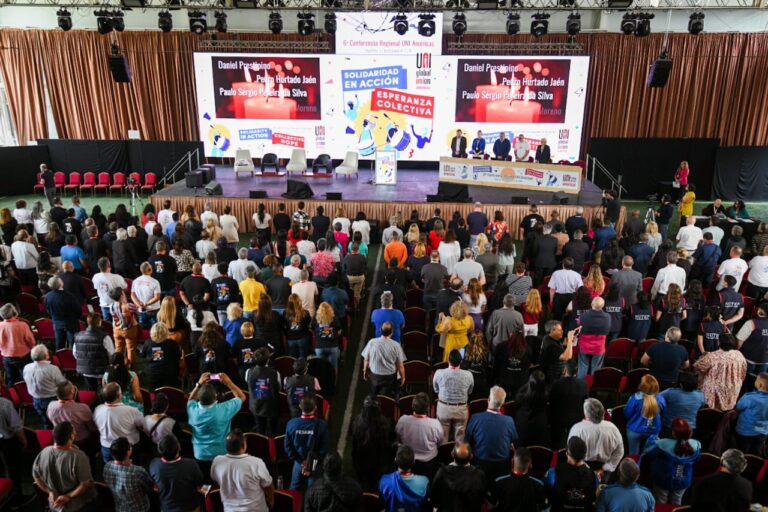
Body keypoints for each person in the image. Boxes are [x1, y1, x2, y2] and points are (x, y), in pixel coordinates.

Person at [187, 372, 246, 478]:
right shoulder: (223, 409)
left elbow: (191, 399)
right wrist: (229, 383)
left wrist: (199, 385)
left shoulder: (192, 410)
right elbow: (241, 397)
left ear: (199, 398)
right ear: (216, 396)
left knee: (205, 483)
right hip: (221, 454)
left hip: (200, 454)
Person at [32, 421, 97, 512]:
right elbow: (85, 484)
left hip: (54, 505)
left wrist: (49, 491)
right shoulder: (78, 456)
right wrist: (68, 496)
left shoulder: (43, 452)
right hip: (77, 506)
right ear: (71, 436)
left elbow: (36, 477)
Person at [465, 386, 519, 484]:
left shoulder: (475, 418)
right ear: (502, 404)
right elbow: (514, 441)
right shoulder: (509, 421)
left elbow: (467, 441)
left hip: (479, 464)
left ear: (488, 400)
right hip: (502, 466)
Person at [210, 429, 274, 511]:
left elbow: (215, 480)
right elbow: (268, 486)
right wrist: (271, 500)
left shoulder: (217, 461)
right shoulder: (256, 462)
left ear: (226, 446)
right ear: (243, 446)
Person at [150, 434, 205, 512]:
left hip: (167, 509)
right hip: (191, 507)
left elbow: (154, 484)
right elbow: (199, 482)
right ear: (179, 448)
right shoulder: (191, 464)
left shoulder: (154, 464)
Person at [568, 398, 624, 475]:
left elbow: (571, 451)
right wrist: (605, 468)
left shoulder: (577, 429)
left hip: (581, 469)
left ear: (586, 413)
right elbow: (619, 452)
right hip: (605, 470)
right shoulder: (613, 428)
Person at [285, 395, 329, 490]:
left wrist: (301, 462)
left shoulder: (291, 424)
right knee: (314, 492)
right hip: (315, 464)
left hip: (298, 463)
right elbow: (324, 449)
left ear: (300, 407)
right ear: (315, 408)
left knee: (293, 490)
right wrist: (311, 465)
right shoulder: (322, 425)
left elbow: (288, 448)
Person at [430, 442, 489, 512]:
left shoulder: (442, 472)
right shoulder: (479, 475)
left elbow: (433, 495)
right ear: (471, 456)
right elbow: (482, 498)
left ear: (452, 454)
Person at [545, 436, 599, 512]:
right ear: (584, 456)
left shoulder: (553, 473)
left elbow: (547, 492)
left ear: (566, 453)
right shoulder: (594, 476)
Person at [94, 382, 145, 463]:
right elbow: (142, 426)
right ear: (119, 395)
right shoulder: (131, 411)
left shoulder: (97, 409)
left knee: (111, 471)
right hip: (128, 449)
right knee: (134, 469)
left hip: (107, 447)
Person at [694, 333, 747, 410]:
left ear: (719, 342)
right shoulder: (739, 355)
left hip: (714, 390)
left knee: (710, 412)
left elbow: (698, 367)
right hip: (733, 387)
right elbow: (743, 373)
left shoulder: (711, 356)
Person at [103, 436, 154, 512]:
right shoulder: (137, 471)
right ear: (128, 452)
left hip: (120, 507)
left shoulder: (107, 467)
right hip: (140, 508)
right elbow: (149, 488)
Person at [433, 349, 474, 443]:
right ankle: (457, 457)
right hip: (461, 410)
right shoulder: (469, 375)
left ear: (448, 360)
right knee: (460, 440)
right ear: (461, 361)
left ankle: (444, 456)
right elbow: (470, 391)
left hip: (444, 409)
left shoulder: (439, 373)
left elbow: (436, 389)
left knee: (442, 438)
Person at [24, 344, 67, 429]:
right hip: (51, 399)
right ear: (45, 356)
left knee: (46, 421)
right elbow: (62, 383)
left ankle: (49, 435)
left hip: (35, 399)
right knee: (57, 421)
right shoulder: (52, 369)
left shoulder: (26, 367)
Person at [379, 445, 430, 512]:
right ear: (413, 462)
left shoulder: (384, 480)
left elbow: (382, 503)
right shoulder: (424, 482)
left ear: (395, 460)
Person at [362, 322, 407, 397]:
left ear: (381, 331)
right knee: (387, 397)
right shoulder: (396, 345)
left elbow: (366, 360)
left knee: (374, 395)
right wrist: (403, 378)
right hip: (390, 378)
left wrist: (365, 371)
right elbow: (400, 365)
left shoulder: (372, 342)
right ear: (391, 332)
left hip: (374, 376)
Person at [47, 381, 97, 446]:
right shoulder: (82, 408)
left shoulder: (51, 405)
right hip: (80, 439)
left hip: (61, 439)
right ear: (72, 391)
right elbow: (92, 427)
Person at [624, 374, 665, 454]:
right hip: (653, 430)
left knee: (633, 456)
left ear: (642, 386)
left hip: (634, 430)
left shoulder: (635, 398)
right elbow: (663, 414)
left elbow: (627, 414)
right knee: (647, 457)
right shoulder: (661, 399)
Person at [246, 347, 281, 437]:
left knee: (260, 429)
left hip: (256, 405)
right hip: (271, 406)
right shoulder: (275, 373)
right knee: (273, 431)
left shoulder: (248, 372)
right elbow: (279, 388)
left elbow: (248, 384)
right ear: (268, 360)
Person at [658, 372, 706, 436]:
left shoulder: (670, 393)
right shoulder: (701, 395)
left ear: (681, 384)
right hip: (690, 429)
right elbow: (702, 407)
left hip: (669, 427)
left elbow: (656, 399)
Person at [0, 303, 36, 387]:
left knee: (11, 379)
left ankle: (13, 397)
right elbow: (31, 341)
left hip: (6, 357)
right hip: (23, 357)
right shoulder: (22, 325)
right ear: (14, 312)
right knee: (25, 379)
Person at [734, 372, 768, 455]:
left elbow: (738, 408)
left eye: (756, 380)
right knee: (757, 452)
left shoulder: (749, 397)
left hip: (745, 431)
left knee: (742, 452)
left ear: (760, 385)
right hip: (763, 433)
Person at [577, 297, 611, 378]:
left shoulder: (583, 316)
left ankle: (580, 384)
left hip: (585, 346)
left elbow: (579, 325)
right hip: (598, 347)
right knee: (596, 367)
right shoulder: (607, 317)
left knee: (583, 366)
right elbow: (607, 331)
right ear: (602, 306)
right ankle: (593, 385)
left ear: (592, 304)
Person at [539, 320, 575, 384]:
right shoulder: (550, 344)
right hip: (553, 377)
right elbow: (567, 357)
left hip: (557, 372)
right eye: (559, 330)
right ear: (552, 331)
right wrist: (570, 341)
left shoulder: (550, 338)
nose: (562, 331)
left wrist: (569, 342)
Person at [736, 303, 768, 374]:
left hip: (749, 358)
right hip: (765, 360)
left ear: (760, 311)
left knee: (747, 381)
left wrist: (736, 352)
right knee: (760, 382)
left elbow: (739, 341)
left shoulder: (751, 323)